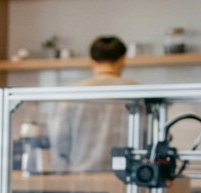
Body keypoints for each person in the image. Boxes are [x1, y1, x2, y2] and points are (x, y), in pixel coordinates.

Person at [49, 35, 137, 173]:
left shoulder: (72, 93)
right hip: (126, 176)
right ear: (123, 60)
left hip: (81, 176)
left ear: (91, 61)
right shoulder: (137, 92)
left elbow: (59, 139)